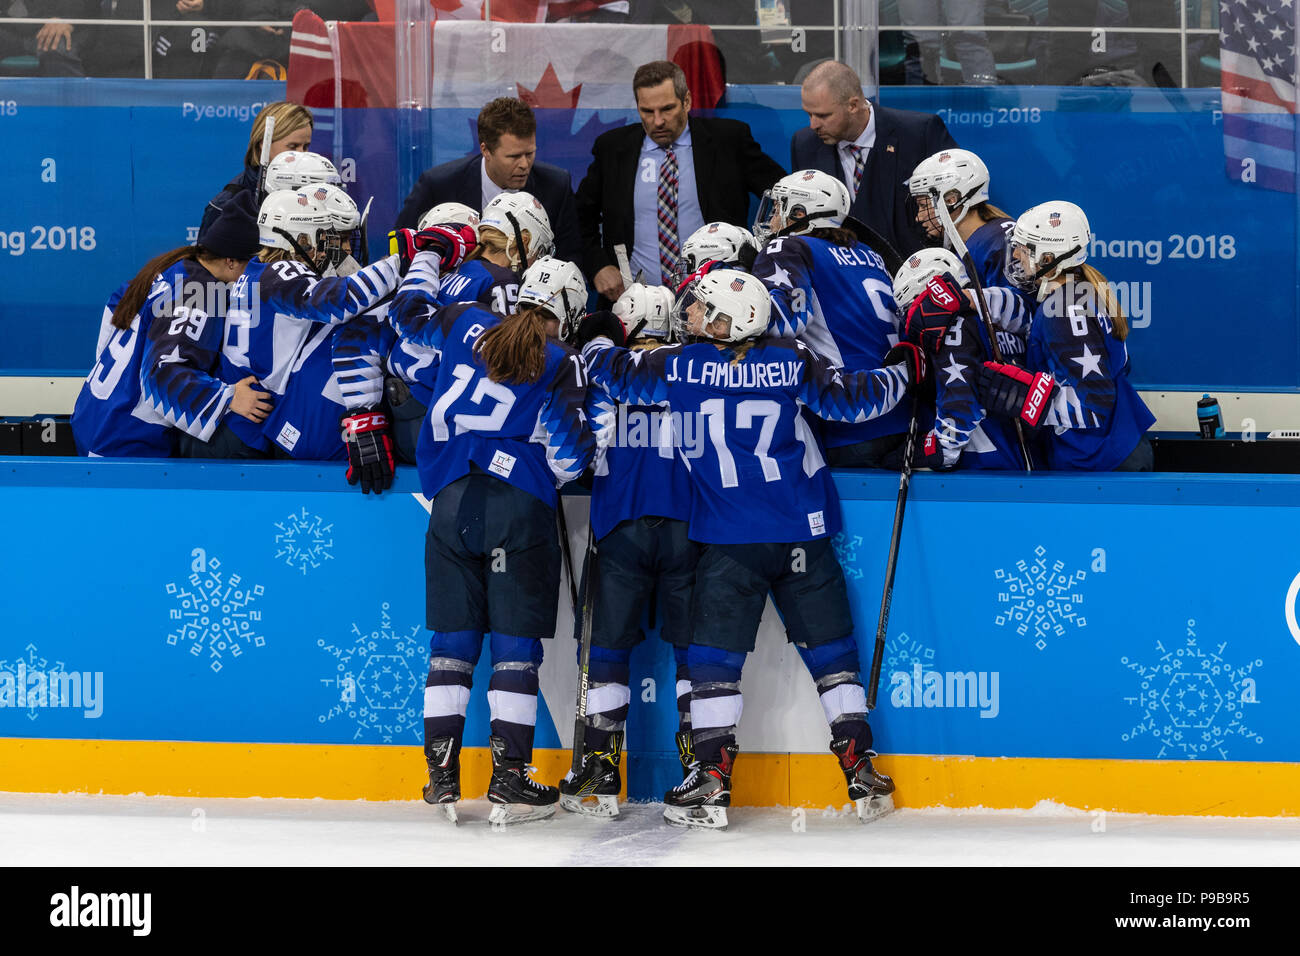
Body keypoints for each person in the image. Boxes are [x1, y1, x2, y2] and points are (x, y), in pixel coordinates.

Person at [575, 269, 926, 830]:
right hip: (803, 535)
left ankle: (712, 780)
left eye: (700, 308)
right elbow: (857, 401)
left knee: (713, 665)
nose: (688, 315)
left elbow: (612, 373)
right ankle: (861, 766)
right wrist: (908, 366)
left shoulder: (682, 367)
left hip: (732, 540)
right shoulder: (790, 359)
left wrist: (597, 330)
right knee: (833, 656)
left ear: (726, 319)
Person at [389, 244, 597, 827]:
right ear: (567, 312)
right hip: (518, 509)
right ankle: (510, 781)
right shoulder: (560, 359)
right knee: (514, 650)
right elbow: (571, 456)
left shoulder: (465, 321)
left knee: (451, 647)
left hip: (450, 502)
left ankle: (441, 777)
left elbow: (405, 327)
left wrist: (426, 261)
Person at [557, 281, 694, 818]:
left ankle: (599, 770)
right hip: (689, 529)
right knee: (696, 657)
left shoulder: (606, 371)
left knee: (607, 652)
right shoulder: (696, 370)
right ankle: (701, 766)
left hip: (621, 527)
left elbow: (586, 450)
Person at [182, 185, 403, 461]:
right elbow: (337, 303)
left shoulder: (254, 269)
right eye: (316, 240)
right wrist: (398, 265)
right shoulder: (282, 272)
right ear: (296, 238)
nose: (322, 251)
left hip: (230, 418)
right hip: (245, 428)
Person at [71, 193, 264, 457]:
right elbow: (164, 372)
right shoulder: (203, 293)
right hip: (127, 437)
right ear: (230, 261)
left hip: (92, 414)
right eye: (253, 262)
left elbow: (115, 309)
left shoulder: (174, 268)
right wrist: (227, 398)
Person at [575, 59, 784, 301]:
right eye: (647, 111)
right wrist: (598, 265)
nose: (657, 121)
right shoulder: (613, 148)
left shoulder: (728, 141)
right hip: (632, 302)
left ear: (687, 101)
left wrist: (765, 259)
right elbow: (579, 217)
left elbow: (783, 195)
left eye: (667, 109)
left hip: (719, 301)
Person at [978, 201, 1156, 471]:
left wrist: (1028, 399)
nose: (1015, 256)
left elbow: (1096, 405)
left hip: (1102, 458)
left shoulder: (1062, 308)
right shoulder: (1077, 294)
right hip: (1115, 451)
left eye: (1024, 250)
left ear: (1048, 259)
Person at [753, 169, 912, 469]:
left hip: (845, 414)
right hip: (900, 413)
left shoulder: (787, 247)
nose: (772, 219)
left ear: (799, 213)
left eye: (777, 208)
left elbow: (787, 320)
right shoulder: (870, 254)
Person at [790, 60, 957, 259]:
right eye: (809, 114)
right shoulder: (804, 145)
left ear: (853, 105)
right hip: (841, 279)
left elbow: (957, 204)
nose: (813, 125)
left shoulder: (919, 134)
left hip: (914, 273)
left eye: (823, 115)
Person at [394, 97, 581, 264]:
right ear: (486, 150)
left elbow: (571, 258)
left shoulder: (556, 186)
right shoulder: (438, 185)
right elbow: (402, 246)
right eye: (514, 156)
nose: (525, 164)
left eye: (530, 153)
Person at [893, 248, 1026, 470]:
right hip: (1024, 452)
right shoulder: (993, 313)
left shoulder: (953, 329)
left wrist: (932, 450)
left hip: (986, 462)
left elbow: (960, 404)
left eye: (910, 307)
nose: (910, 317)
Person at [199, 101, 313, 238]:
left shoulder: (315, 195)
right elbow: (208, 259)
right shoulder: (228, 204)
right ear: (263, 144)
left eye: (305, 147)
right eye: (293, 146)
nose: (301, 154)